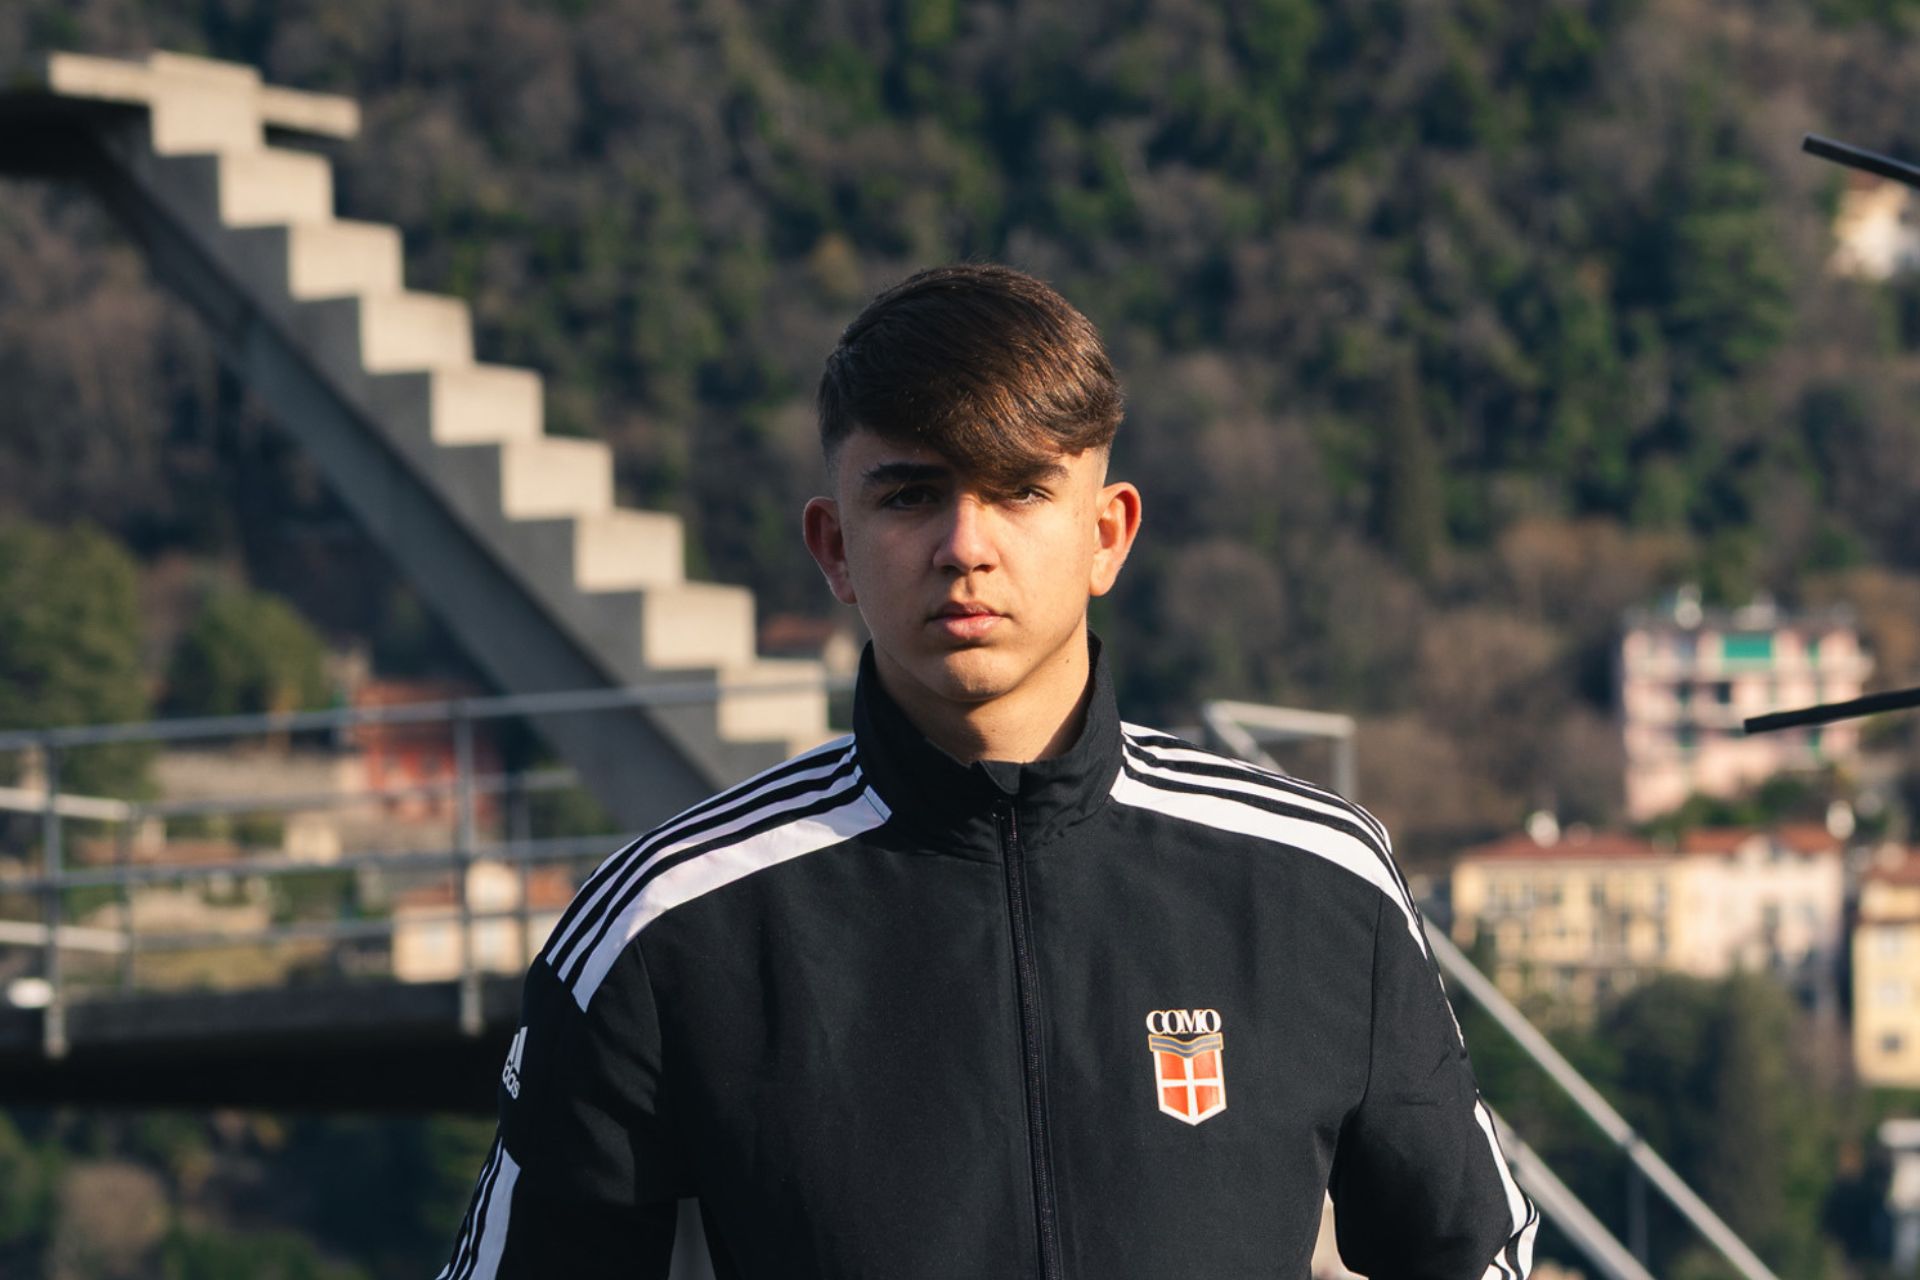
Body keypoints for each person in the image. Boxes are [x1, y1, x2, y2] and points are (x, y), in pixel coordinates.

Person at [437, 263, 1537, 1279]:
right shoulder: (665, 923)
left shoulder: (1315, 879)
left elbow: (1477, 1251)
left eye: (1018, 491)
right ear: (833, 545)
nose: (964, 544)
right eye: (911, 496)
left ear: (1108, 533)